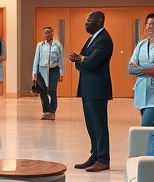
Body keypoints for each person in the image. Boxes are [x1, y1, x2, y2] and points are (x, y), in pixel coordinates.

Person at [69, 11, 113, 172]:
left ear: (99, 22)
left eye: (89, 22)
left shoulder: (104, 40)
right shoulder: (92, 38)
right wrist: (81, 60)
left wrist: (82, 60)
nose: (85, 25)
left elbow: (91, 62)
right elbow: (80, 59)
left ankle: (103, 159)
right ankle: (94, 155)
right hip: (88, 87)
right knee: (91, 124)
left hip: (97, 89)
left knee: (99, 124)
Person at [32, 26, 63, 120]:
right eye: (46, 33)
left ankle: (52, 111)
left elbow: (61, 60)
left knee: (52, 90)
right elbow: (36, 59)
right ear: (43, 34)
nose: (48, 34)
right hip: (42, 69)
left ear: (53, 33)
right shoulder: (40, 45)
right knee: (43, 91)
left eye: (49, 32)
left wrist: (61, 73)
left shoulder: (57, 45)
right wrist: (34, 73)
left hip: (54, 69)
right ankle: (46, 111)